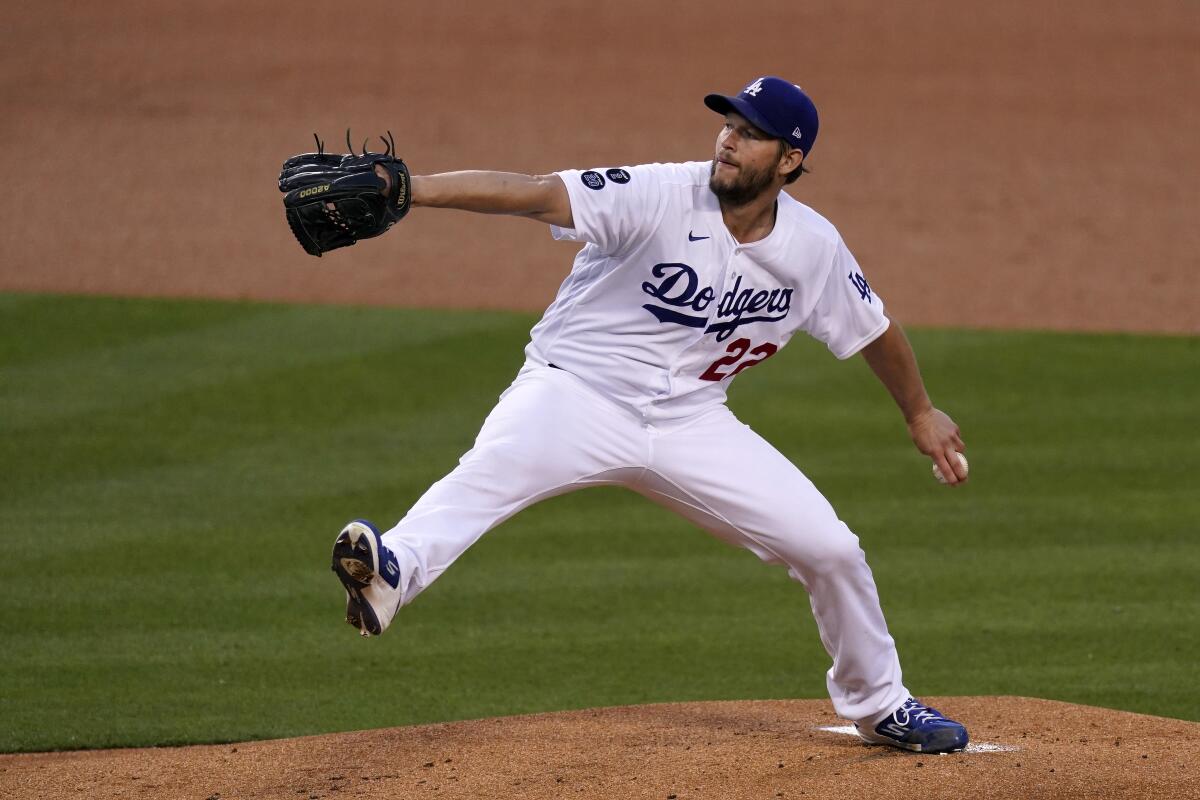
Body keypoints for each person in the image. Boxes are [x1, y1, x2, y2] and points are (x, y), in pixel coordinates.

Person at [330, 76, 970, 754]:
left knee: (832, 549)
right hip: (575, 392)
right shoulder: (658, 193)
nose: (728, 139)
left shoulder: (814, 248)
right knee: (486, 476)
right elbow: (538, 191)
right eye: (728, 124)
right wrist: (415, 189)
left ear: (788, 159)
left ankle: (880, 705)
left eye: (750, 133)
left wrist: (920, 412)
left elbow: (874, 330)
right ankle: (390, 571)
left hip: (691, 422)